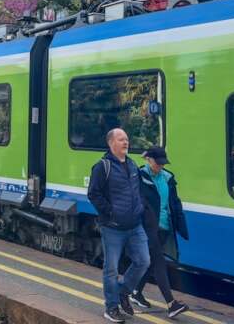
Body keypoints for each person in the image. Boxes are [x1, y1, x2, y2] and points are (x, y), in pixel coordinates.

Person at [87, 128, 150, 322]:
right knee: (111, 269)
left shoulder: (132, 165)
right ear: (111, 143)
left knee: (143, 261)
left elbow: (137, 191)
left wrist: (139, 209)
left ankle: (123, 292)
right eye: (121, 139)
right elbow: (93, 193)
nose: (126, 142)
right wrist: (110, 212)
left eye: (127, 139)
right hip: (112, 227)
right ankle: (111, 307)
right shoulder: (102, 167)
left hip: (134, 225)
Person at [131, 147, 189, 318]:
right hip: (147, 227)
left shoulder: (168, 178)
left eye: (163, 163)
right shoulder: (140, 176)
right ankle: (172, 304)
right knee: (158, 262)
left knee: (148, 262)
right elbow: (136, 201)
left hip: (165, 227)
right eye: (158, 163)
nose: (161, 166)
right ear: (148, 160)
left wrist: (180, 224)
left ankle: (134, 292)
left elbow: (174, 203)